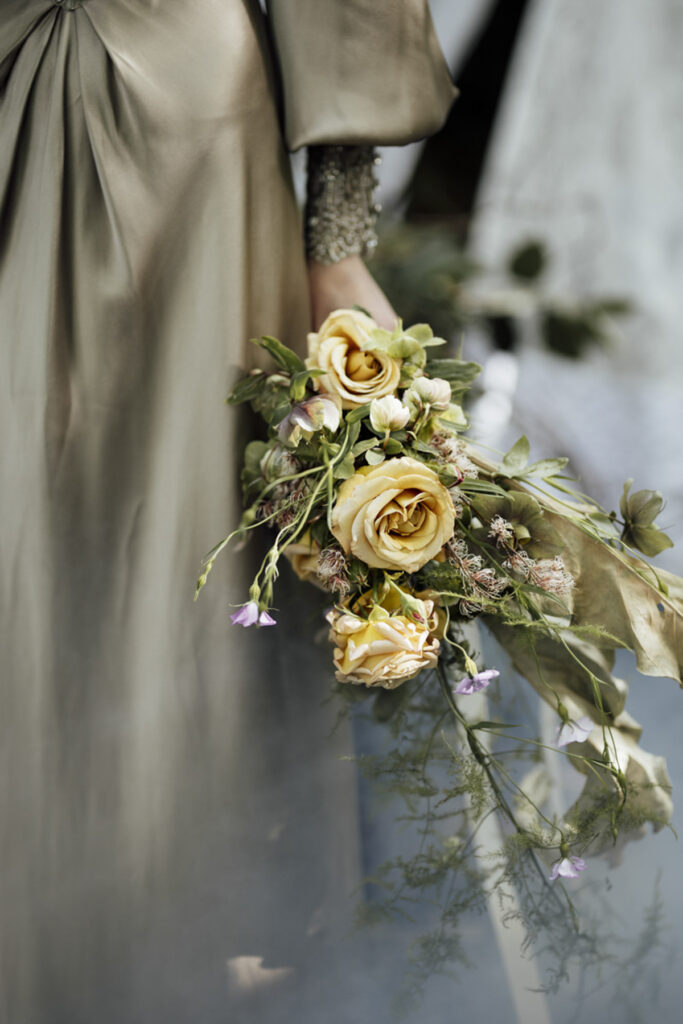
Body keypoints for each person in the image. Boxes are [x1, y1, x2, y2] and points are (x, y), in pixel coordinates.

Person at [0, 2, 456, 1020]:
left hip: (189, 154)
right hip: (179, 126)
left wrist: (335, 242)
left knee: (166, 566)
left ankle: (144, 960)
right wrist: (335, 238)